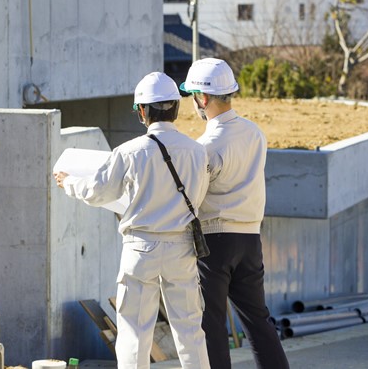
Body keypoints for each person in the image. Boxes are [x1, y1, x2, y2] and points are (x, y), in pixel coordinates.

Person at [54, 72, 211, 369]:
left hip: (141, 249)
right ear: (175, 108)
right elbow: (199, 196)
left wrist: (69, 182)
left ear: (143, 111)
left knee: (134, 333)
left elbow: (98, 191)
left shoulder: (129, 152)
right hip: (182, 248)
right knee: (190, 330)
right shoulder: (197, 151)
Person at [180, 58, 289, 369]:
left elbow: (193, 196)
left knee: (211, 322)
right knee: (257, 320)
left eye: (192, 97)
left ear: (202, 98)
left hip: (216, 240)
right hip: (250, 237)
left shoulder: (207, 145)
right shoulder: (255, 133)